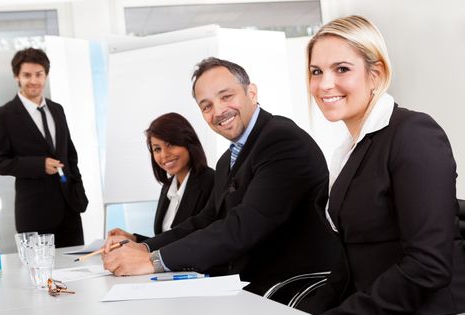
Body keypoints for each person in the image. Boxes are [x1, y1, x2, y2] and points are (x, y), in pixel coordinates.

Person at [102, 57, 342, 296]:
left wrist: (153, 261)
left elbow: (245, 225)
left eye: (226, 96)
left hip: (289, 287)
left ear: (252, 93)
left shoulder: (282, 139)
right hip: (248, 284)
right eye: (206, 106)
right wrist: (144, 247)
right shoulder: (227, 159)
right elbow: (206, 220)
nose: (217, 111)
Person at [306, 15, 465, 315]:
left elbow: (428, 266)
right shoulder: (350, 149)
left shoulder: (413, 134)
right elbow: (351, 260)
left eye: (342, 69)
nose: (324, 85)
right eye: (316, 71)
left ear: (375, 73)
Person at [0, 48, 88, 248]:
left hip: (69, 209)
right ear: (17, 76)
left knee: (76, 271)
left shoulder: (57, 109)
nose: (33, 81)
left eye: (38, 74)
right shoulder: (3, 116)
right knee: (41, 276)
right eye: (27, 75)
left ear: (46, 75)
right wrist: (37, 165)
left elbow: (70, 155)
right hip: (34, 213)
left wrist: (79, 192)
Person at [108, 112, 214, 242]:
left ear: (188, 142)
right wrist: (133, 239)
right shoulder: (168, 187)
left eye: (170, 144)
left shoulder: (212, 182)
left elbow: (192, 242)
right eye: (157, 149)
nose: (164, 155)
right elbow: (166, 242)